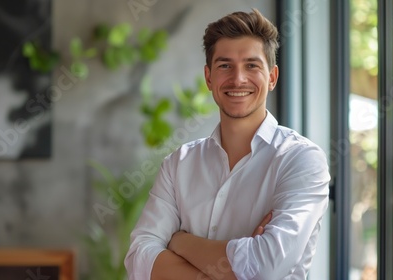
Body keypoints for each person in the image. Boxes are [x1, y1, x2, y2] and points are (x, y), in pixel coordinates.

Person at [124, 9, 330, 280]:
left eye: (252, 65)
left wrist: (179, 242)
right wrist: (236, 268)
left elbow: (266, 267)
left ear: (272, 77)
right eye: (225, 65)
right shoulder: (179, 163)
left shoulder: (301, 160)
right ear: (209, 78)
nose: (238, 79)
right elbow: (139, 259)